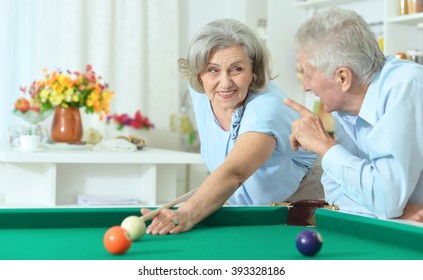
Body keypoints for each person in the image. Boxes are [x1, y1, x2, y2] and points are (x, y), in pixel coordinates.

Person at [142, 18, 316, 235]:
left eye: (236, 69)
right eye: (213, 70)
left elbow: (235, 172)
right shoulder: (200, 91)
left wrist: (187, 212)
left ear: (253, 70)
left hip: (305, 205)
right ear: (199, 74)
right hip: (256, 211)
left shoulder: (266, 108)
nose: (224, 83)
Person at [284, 7, 423, 222]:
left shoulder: (405, 87)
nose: (306, 86)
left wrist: (324, 146)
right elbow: (336, 192)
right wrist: (396, 209)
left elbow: (385, 199)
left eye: (309, 74)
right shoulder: (346, 105)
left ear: (343, 78)